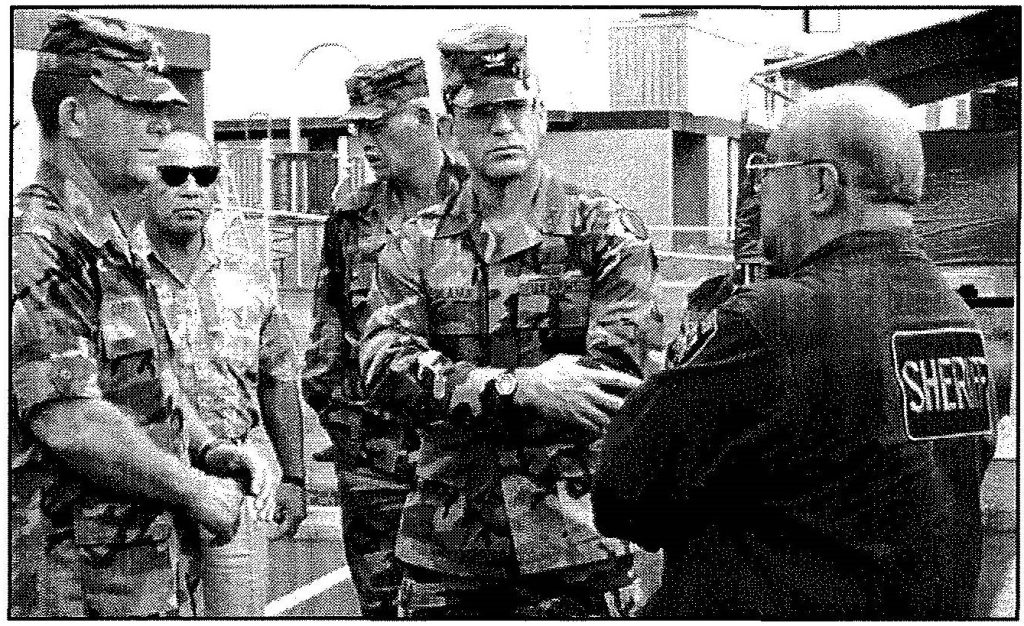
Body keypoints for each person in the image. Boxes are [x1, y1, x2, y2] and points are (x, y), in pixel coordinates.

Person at [593, 83, 997, 619]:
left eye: (764, 176)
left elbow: (626, 494)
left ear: (822, 186)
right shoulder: (952, 317)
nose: (756, 201)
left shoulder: (776, 317)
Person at [358, 24, 664, 618]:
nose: (502, 126)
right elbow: (383, 368)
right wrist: (521, 388)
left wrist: (458, 388)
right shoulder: (413, 244)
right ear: (449, 132)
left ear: (540, 115)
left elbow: (617, 374)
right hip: (449, 546)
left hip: (574, 538)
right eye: (481, 112)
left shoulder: (604, 232)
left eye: (515, 108)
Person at [11, 12, 272, 617]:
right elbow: (69, 422)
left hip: (143, 570)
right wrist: (195, 488)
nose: (162, 125)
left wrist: (209, 449)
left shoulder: (114, 242)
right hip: (72, 578)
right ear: (74, 118)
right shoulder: (36, 242)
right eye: (137, 106)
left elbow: (144, 397)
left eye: (162, 108)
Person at [302, 56, 467, 617]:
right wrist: (342, 425)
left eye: (378, 125)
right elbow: (331, 332)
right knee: (381, 606)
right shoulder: (353, 212)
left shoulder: (479, 201)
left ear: (426, 119)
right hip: (373, 457)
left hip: (459, 454)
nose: (363, 140)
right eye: (357, 127)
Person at [144, 130, 307, 616]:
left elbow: (278, 381)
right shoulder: (121, 269)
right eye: (174, 176)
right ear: (147, 181)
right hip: (143, 480)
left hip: (233, 481)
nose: (191, 187)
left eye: (204, 175)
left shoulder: (249, 269)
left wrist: (294, 479)